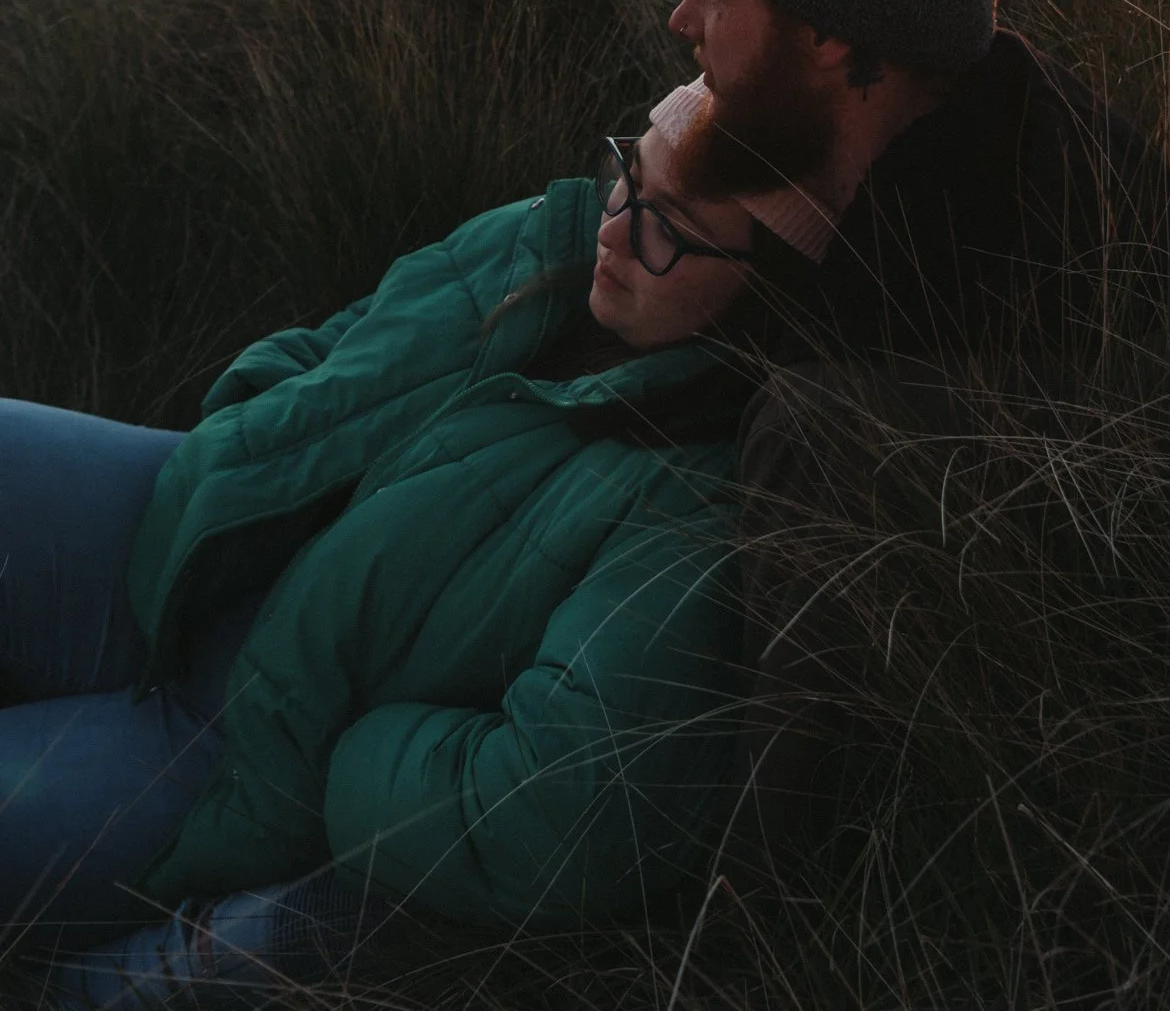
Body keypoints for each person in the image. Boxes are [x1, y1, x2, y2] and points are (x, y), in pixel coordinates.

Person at [0, 124, 763, 1008]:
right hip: (181, 534)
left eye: (669, 227)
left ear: (767, 287)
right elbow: (344, 335)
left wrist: (343, 766)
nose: (615, 228)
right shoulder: (543, 234)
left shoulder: (687, 494)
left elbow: (556, 821)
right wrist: (247, 428)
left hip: (238, 751)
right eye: (626, 174)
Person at [658, 0, 1159, 871]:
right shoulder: (987, 101)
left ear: (832, 33)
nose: (681, 20)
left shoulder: (878, 378)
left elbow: (797, 785)